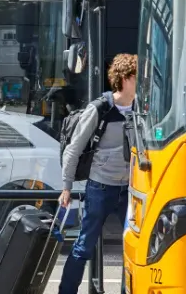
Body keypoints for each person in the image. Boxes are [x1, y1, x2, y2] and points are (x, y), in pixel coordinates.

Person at [57, 54, 137, 294]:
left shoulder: (143, 108)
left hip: (131, 188)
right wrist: (66, 186)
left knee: (132, 247)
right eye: (136, 78)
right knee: (84, 245)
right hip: (100, 186)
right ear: (123, 79)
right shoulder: (100, 108)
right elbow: (74, 148)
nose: (141, 83)